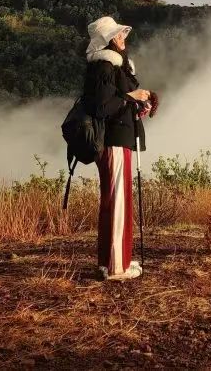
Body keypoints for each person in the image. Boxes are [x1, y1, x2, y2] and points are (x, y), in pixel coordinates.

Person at [82, 15, 154, 281]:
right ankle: (117, 267)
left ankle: (112, 261)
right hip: (113, 142)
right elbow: (102, 107)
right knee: (118, 202)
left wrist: (138, 103)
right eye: (118, 35)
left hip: (118, 139)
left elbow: (115, 102)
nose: (123, 38)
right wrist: (131, 97)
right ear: (108, 41)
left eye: (122, 34)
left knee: (114, 202)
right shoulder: (105, 66)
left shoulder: (114, 66)